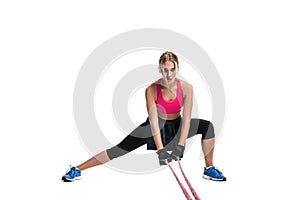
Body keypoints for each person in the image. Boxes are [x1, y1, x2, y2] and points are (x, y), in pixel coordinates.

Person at [62, 51, 226, 182]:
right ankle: (77, 169)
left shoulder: (187, 88)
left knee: (207, 127)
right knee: (118, 150)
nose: (169, 74)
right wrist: (161, 150)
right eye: (165, 69)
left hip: (177, 125)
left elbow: (187, 119)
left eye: (172, 69)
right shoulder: (151, 89)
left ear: (177, 69)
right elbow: (154, 122)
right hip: (154, 127)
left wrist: (181, 144)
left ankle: (209, 168)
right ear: (160, 69)